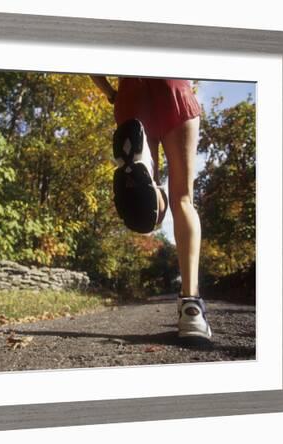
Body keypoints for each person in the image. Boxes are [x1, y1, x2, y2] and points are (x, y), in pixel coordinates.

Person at [90, 75, 212, 340]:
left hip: (131, 95)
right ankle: (191, 309)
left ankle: (146, 177)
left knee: (152, 212)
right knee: (183, 198)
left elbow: (89, 59)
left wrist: (111, 93)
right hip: (174, 87)